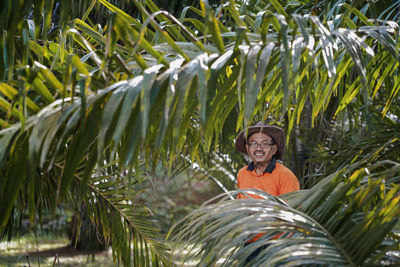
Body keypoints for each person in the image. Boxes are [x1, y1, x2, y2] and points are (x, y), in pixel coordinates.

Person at [235, 121, 300, 264]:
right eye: (253, 143)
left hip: (277, 247)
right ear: (247, 148)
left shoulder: (285, 175)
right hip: (249, 244)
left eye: (264, 144)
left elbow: (291, 217)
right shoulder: (242, 174)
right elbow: (240, 208)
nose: (258, 148)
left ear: (274, 149)